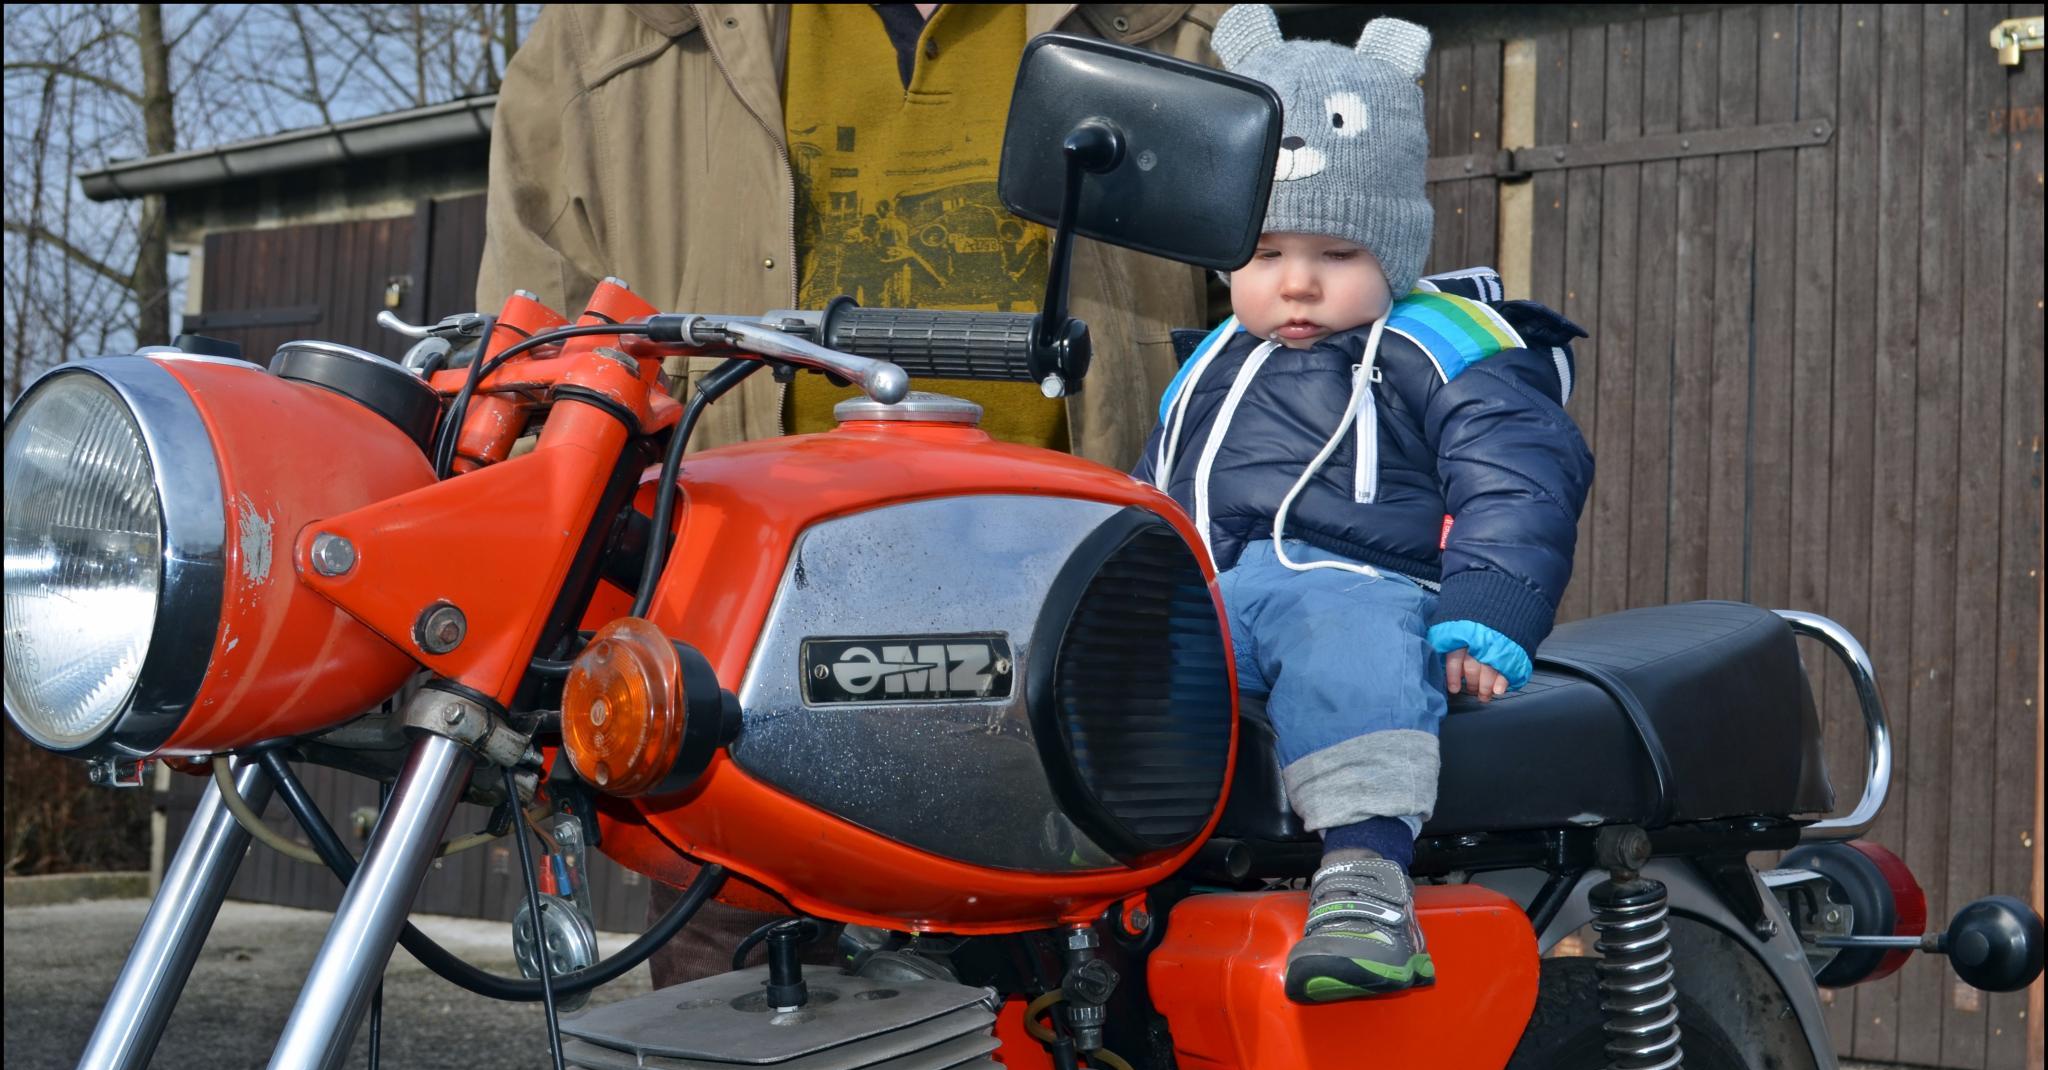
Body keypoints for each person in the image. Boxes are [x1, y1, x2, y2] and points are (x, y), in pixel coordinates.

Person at [476, 3, 1228, 990]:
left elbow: (1303, 323)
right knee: (735, 1058)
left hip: (1086, 698)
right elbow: (528, 386)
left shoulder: (1186, 27)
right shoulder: (610, 38)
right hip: (737, 720)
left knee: (1109, 1053)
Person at [1133, 6, 1595, 1003]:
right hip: (1218, 598)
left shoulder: (1440, 341)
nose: (1297, 284)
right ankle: (1105, 880)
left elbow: (1518, 472)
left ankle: (1365, 877)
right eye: (1265, 254)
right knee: (1115, 657)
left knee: (1345, 641)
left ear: (1390, 249)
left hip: (1366, 586)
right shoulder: (1210, 365)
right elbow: (1151, 494)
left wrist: (1487, 605)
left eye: (1335, 255)